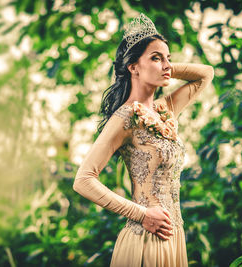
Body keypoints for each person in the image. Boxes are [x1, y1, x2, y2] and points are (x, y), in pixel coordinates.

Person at [73, 13, 214, 266]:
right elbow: (83, 180)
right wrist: (141, 214)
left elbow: (206, 74)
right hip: (144, 240)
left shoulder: (166, 108)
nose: (166, 65)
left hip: (174, 239)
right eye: (156, 58)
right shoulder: (126, 116)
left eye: (167, 58)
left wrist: (165, 66)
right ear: (133, 67)